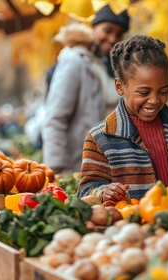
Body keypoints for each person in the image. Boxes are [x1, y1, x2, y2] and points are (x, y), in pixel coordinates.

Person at [77, 35, 168, 203]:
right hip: (130, 226)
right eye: (144, 92)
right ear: (120, 86)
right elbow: (85, 191)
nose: (154, 100)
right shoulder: (100, 138)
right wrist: (103, 192)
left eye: (163, 91)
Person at [42, 23, 106, 174]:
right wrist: (57, 167)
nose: (113, 38)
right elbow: (55, 117)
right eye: (107, 31)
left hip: (89, 164)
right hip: (74, 167)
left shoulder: (93, 63)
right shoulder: (74, 62)